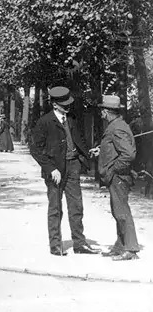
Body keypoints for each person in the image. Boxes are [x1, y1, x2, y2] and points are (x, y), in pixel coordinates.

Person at [29, 85, 101, 256]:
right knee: (55, 208)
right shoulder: (45, 122)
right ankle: (55, 246)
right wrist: (50, 168)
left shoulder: (72, 119)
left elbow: (79, 139)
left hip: (73, 166)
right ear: (55, 105)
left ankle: (80, 244)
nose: (67, 107)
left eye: (68, 103)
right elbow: (35, 148)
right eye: (64, 104)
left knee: (76, 206)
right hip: (55, 171)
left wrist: (87, 152)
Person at [89, 94, 140, 261]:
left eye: (102, 110)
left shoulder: (117, 127)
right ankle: (120, 246)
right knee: (117, 211)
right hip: (117, 176)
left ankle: (131, 249)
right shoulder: (116, 125)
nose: (101, 113)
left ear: (107, 111)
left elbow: (128, 155)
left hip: (119, 177)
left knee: (122, 211)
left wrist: (113, 169)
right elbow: (115, 149)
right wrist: (101, 151)